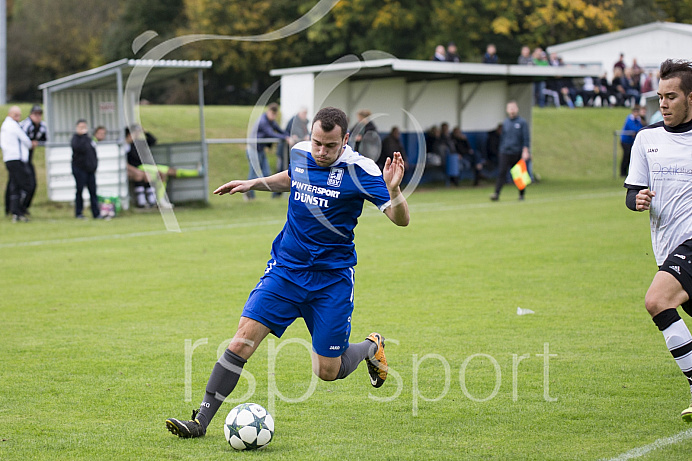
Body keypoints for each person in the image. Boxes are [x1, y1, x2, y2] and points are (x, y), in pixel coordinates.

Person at [165, 106, 410, 439]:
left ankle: (370, 346)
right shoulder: (300, 152)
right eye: (317, 143)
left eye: (330, 146)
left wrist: (394, 191)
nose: (321, 152)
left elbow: (401, 219)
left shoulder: (361, 170)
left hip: (331, 282)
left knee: (327, 371)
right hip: (286, 272)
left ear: (346, 140)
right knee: (240, 342)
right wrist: (255, 182)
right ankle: (200, 422)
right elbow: (293, 176)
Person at [623, 59, 692, 422]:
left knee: (657, 300)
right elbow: (632, 192)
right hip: (667, 249)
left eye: (672, 96)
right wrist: (638, 200)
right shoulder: (646, 139)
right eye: (660, 97)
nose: (663, 104)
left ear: (691, 98)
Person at [125, 125, 201, 208]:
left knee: (165, 173)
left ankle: (159, 199)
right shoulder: (127, 145)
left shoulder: (139, 143)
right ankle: (159, 200)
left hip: (147, 166)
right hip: (139, 167)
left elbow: (153, 140)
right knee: (164, 172)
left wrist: (145, 132)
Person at [245, 103, 290, 201]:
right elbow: (271, 133)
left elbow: (279, 130)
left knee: (267, 172)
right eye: (272, 114)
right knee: (253, 173)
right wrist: (285, 138)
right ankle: (249, 196)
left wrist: (288, 136)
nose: (273, 116)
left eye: (275, 115)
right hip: (253, 150)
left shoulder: (271, 121)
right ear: (268, 112)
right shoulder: (263, 121)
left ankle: (272, 198)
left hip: (260, 150)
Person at [9, 104, 46, 216]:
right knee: (18, 184)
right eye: (35, 114)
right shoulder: (23, 125)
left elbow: (45, 139)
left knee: (30, 184)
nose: (38, 116)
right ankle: (14, 209)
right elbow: (22, 140)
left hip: (27, 159)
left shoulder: (42, 126)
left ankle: (22, 208)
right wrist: (31, 143)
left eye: (39, 114)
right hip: (19, 159)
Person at [490, 101, 530, 201]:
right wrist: (501, 150)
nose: (512, 110)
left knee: (519, 174)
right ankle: (496, 193)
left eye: (513, 107)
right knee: (502, 172)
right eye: (510, 108)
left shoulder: (522, 122)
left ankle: (521, 194)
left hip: (517, 152)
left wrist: (525, 150)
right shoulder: (506, 122)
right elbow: (503, 138)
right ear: (507, 110)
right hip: (505, 151)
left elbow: (526, 137)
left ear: (517, 109)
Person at [1, 106, 33, 222]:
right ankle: (19, 210)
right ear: (12, 114)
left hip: (9, 158)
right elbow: (25, 140)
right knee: (25, 184)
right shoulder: (12, 125)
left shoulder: (5, 126)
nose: (18, 118)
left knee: (14, 185)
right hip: (15, 159)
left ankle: (14, 211)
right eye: (17, 115)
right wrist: (31, 144)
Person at [274, 108, 310, 198]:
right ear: (300, 113)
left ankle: (285, 193)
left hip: (292, 153)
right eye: (304, 113)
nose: (305, 116)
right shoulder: (294, 121)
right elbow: (290, 132)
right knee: (282, 170)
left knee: (290, 171)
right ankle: (276, 194)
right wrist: (295, 137)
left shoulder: (304, 122)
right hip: (285, 150)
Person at [70, 119, 101, 219]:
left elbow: (92, 153)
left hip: (90, 170)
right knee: (79, 191)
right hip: (79, 169)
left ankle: (96, 213)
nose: (83, 129)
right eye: (81, 127)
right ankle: (79, 213)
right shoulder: (76, 139)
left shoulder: (89, 139)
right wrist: (82, 135)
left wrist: (94, 166)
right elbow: (79, 148)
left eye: (84, 127)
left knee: (93, 192)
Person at [620, 104, 644, 177]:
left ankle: (629, 172)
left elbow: (642, 127)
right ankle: (623, 173)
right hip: (625, 140)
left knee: (631, 156)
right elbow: (634, 128)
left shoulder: (638, 119)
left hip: (632, 141)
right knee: (626, 156)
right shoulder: (629, 119)